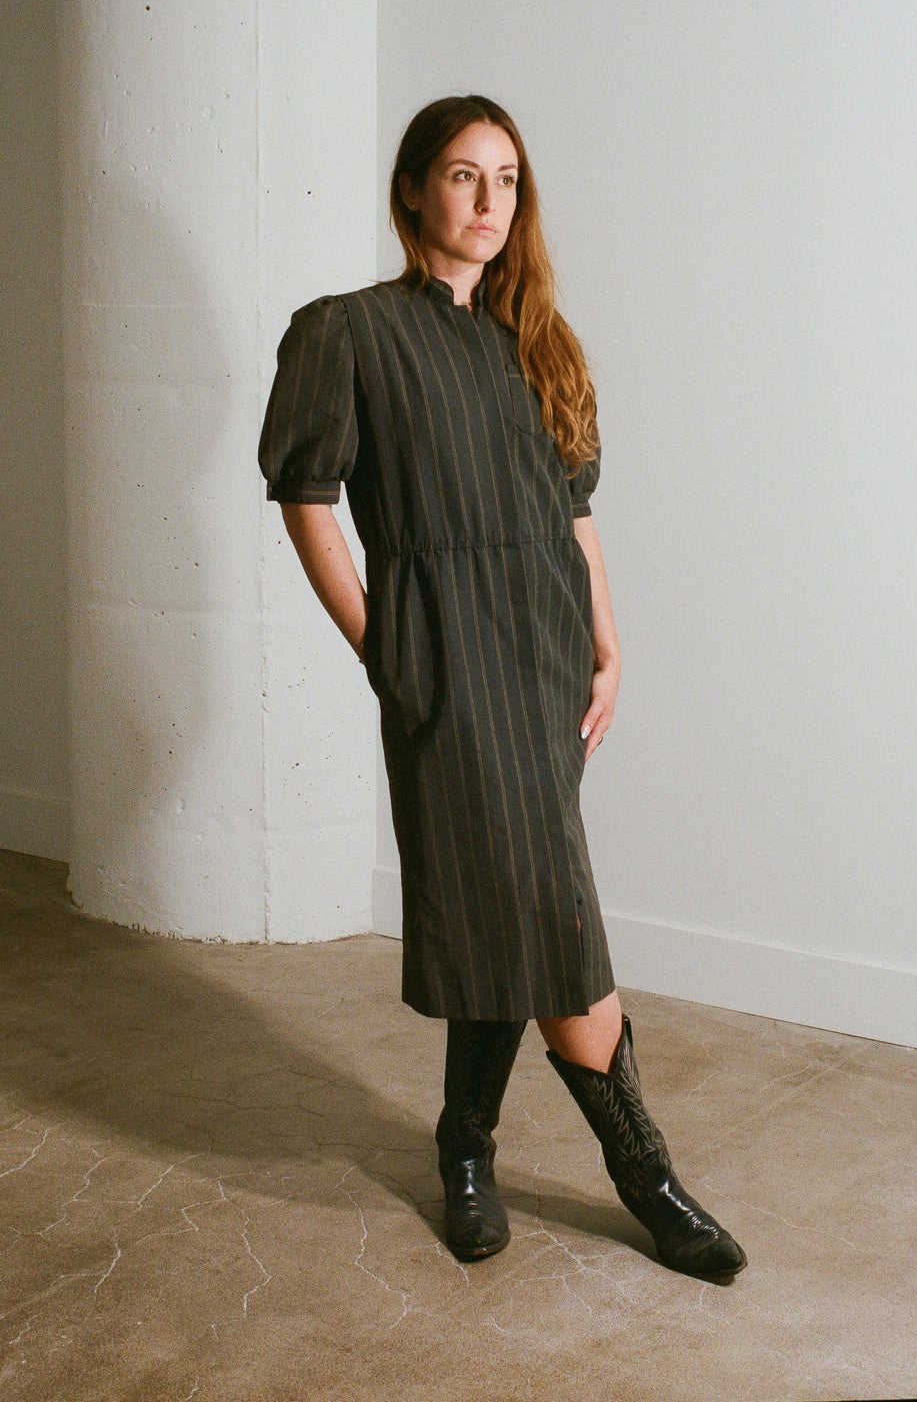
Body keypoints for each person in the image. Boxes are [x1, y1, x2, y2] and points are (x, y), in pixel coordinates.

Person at [259, 95, 746, 1282]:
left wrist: (609, 642)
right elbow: (305, 494)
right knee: (545, 915)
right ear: (416, 189)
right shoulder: (347, 331)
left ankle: (466, 1151)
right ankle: (649, 1179)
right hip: (446, 659)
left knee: (504, 905)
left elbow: (571, 513)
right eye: (465, 177)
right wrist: (382, 643)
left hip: (542, 658)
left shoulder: (536, 338)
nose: (488, 203)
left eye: (509, 181)